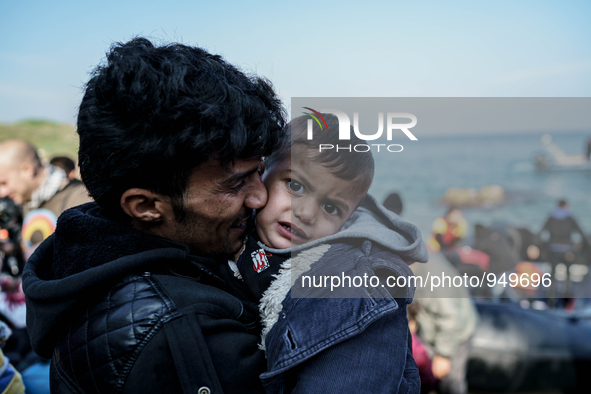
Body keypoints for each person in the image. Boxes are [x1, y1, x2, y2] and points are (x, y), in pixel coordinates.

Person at [23, 37, 286, 393]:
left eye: (261, 169)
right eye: (236, 183)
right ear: (145, 207)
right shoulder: (179, 330)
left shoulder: (87, 250)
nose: (260, 196)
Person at [238, 114, 428, 392]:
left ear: (349, 219)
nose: (306, 213)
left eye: (331, 207)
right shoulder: (233, 231)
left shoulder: (353, 282)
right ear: (262, 172)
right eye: (295, 185)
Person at [0, 140, 91, 217]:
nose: (2, 193)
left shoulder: (82, 199)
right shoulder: (29, 203)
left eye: (4, 183)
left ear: (27, 170)